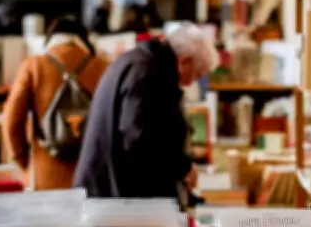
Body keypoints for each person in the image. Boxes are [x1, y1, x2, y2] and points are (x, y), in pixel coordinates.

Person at [74, 23, 218, 200]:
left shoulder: (140, 62)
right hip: (113, 201)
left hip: (108, 193)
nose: (191, 84)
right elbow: (139, 138)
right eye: (196, 75)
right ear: (184, 61)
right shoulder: (146, 73)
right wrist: (181, 167)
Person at [1, 15, 108, 190]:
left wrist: (22, 158)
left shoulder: (34, 65)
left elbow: (11, 120)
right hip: (91, 175)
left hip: (45, 176)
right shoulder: (102, 66)